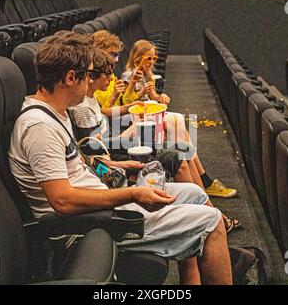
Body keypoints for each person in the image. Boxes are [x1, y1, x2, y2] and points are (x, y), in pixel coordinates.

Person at [8, 32, 232, 285]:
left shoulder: (55, 114)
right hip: (87, 225)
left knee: (194, 193)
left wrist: (114, 165)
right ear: (71, 77)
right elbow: (62, 201)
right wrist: (132, 194)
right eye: (89, 75)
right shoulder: (39, 126)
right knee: (211, 221)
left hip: (101, 204)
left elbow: (79, 165)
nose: (91, 81)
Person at [92, 31, 238, 199]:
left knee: (176, 121)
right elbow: (107, 110)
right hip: (115, 127)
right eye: (113, 55)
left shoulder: (108, 76)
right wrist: (121, 98)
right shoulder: (97, 80)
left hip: (121, 118)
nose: (117, 59)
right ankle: (197, 179)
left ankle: (198, 177)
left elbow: (122, 102)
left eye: (117, 55)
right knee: (171, 122)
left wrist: (145, 98)